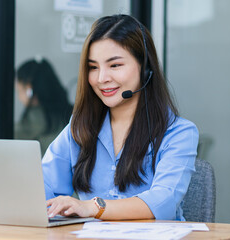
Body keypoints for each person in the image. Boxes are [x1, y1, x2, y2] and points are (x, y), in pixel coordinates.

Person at [42, 14, 199, 221]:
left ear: (145, 68)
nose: (101, 78)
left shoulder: (178, 133)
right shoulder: (80, 128)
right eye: (93, 67)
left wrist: (92, 207)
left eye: (115, 65)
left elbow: (163, 200)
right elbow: (43, 188)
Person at [15, 57, 73, 154]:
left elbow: (9, 137)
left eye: (19, 91)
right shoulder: (68, 111)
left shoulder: (36, 116)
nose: (19, 96)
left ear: (29, 90)